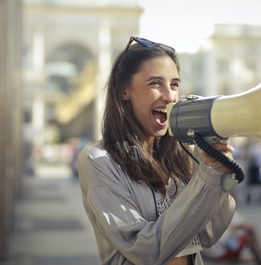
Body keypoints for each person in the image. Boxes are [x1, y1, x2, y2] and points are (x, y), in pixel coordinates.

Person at [78, 36, 237, 265]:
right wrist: (206, 178)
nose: (169, 95)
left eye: (174, 84)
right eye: (155, 83)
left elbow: (207, 233)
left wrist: (220, 176)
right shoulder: (98, 160)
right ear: (125, 91)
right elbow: (144, 250)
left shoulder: (182, 154)